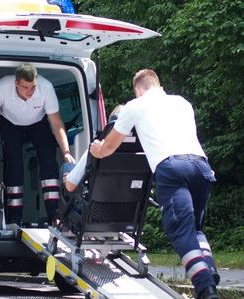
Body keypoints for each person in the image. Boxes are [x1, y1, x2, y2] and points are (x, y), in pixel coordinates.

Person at [89, 69, 219, 299]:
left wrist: (97, 149)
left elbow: (110, 145)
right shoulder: (182, 102)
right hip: (200, 166)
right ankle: (208, 269)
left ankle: (205, 286)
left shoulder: (135, 106)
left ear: (138, 89)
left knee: (180, 231)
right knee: (195, 230)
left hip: (171, 168)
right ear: (158, 84)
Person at [0, 63, 75, 225]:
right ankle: (14, 217)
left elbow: (56, 122)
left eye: (33, 87)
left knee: (48, 160)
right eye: (25, 87)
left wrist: (66, 151)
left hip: (38, 123)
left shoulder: (46, 88)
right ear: (16, 83)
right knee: (14, 164)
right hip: (9, 122)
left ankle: (54, 215)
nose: (30, 92)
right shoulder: (2, 88)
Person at [61, 105, 123, 192]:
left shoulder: (97, 149)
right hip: (134, 202)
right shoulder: (143, 152)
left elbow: (71, 186)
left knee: (67, 167)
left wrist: (68, 180)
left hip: (96, 203)